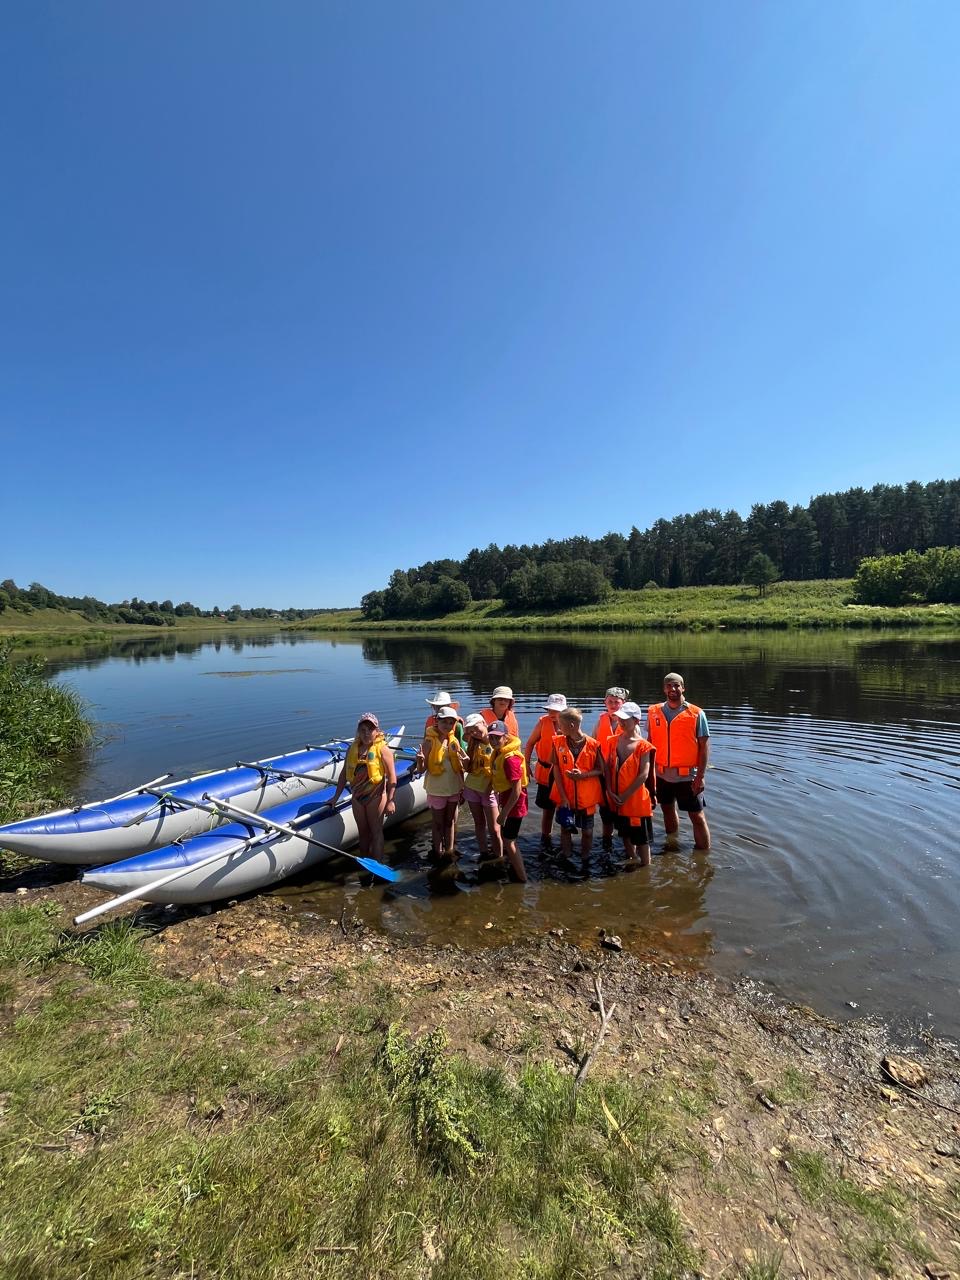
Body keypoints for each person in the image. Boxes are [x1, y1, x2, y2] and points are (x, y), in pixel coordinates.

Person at [647, 673, 711, 851]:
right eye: (668, 686)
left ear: (683, 688)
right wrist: (648, 773)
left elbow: (704, 747)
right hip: (661, 774)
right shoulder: (654, 712)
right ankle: (672, 847)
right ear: (664, 688)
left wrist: (701, 776)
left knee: (697, 816)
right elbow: (650, 742)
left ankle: (704, 855)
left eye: (676, 685)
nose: (672, 689)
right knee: (667, 810)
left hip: (688, 776)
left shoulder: (697, 714)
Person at [331, 713, 397, 862]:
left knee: (376, 832)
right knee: (363, 832)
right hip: (358, 797)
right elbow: (343, 775)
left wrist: (391, 800)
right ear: (358, 731)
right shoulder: (352, 749)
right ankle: (366, 863)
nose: (366, 733)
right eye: (363, 730)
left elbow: (392, 776)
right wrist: (335, 798)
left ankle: (377, 864)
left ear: (377, 731)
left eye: (370, 729)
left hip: (376, 796)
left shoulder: (383, 750)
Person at [548, 708, 605, 863]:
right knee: (565, 828)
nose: (559, 728)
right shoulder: (557, 742)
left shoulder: (594, 745)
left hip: (586, 798)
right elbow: (556, 770)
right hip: (564, 795)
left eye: (561, 725)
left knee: (587, 831)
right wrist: (563, 797)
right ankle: (566, 856)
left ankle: (585, 858)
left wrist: (583, 775)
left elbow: (601, 769)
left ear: (572, 725)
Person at [603, 702, 655, 867]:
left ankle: (646, 866)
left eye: (626, 719)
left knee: (642, 840)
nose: (622, 722)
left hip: (636, 802)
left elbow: (644, 774)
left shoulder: (644, 746)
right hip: (617, 799)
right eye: (620, 718)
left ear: (637, 721)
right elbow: (607, 767)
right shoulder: (612, 741)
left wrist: (625, 795)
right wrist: (610, 790)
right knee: (624, 834)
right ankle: (632, 860)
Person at [415, 706, 468, 861]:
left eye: (451, 722)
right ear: (437, 721)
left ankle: (449, 851)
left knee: (450, 821)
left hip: (453, 788)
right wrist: (420, 761)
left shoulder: (454, 741)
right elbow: (421, 770)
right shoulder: (428, 742)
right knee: (438, 823)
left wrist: (463, 787)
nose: (448, 725)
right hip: (436, 790)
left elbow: (459, 768)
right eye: (444, 721)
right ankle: (437, 851)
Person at [487, 719, 528, 882]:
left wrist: (503, 814)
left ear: (506, 737)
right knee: (507, 838)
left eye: (498, 737)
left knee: (509, 841)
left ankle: (522, 878)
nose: (494, 741)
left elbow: (517, 791)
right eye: (491, 738)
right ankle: (513, 868)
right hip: (508, 803)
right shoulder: (499, 753)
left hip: (515, 806)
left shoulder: (510, 759)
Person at [524, 693, 567, 846]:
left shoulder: (570, 723)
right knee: (547, 810)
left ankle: (565, 840)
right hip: (545, 772)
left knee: (564, 808)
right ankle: (545, 838)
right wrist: (527, 764)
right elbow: (529, 744)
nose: (552, 714)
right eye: (550, 710)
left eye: (556, 710)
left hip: (563, 774)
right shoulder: (543, 722)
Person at [592, 686, 630, 849]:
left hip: (622, 775)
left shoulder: (630, 723)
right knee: (605, 811)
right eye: (610, 702)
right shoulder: (601, 721)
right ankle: (606, 842)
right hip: (603, 773)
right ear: (605, 702)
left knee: (624, 812)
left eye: (617, 702)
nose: (613, 705)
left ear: (624, 703)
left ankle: (628, 847)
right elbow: (593, 745)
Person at [461, 712, 502, 862]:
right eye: (470, 730)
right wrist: (465, 762)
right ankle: (484, 852)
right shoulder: (472, 743)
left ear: (484, 723)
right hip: (472, 788)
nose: (474, 733)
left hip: (489, 790)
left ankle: (499, 856)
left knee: (495, 828)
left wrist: (491, 787)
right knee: (479, 823)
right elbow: (468, 769)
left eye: (476, 728)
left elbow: (500, 770)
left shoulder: (496, 742)